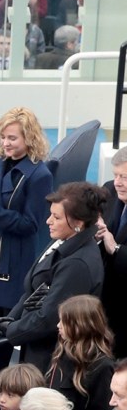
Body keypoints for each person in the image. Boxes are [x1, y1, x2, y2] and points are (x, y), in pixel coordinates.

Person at [0, 182, 106, 370]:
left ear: (78, 223)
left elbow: (49, 318)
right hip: (36, 347)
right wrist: (9, 320)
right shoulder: (64, 240)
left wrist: (11, 329)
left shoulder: (77, 265)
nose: (48, 221)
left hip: (52, 360)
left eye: (56, 217)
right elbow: (32, 291)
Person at [0, 106, 54, 318]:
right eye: (2, 137)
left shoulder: (40, 175)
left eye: (12, 138)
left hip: (12, 257)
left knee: (7, 317)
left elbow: (30, 224)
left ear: (29, 138)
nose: (5, 143)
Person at [45, 294, 115, 410]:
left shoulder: (102, 367)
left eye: (64, 322)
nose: (58, 325)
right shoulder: (61, 352)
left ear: (80, 326)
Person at [97, 147, 127, 352]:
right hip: (103, 293)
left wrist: (115, 248)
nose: (117, 182)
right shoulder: (109, 191)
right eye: (116, 175)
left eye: (124, 177)